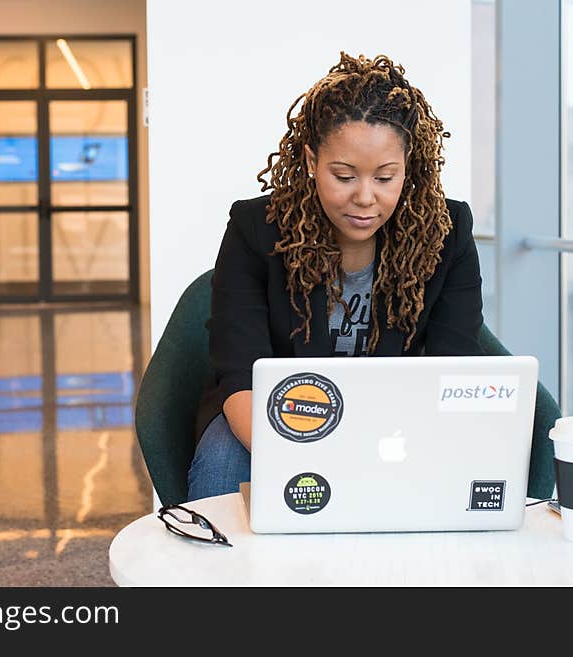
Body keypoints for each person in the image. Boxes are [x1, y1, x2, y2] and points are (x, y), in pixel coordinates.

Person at [188, 52, 485, 501]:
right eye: (344, 176)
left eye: (386, 177)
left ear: (409, 167)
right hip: (275, 417)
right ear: (311, 160)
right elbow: (240, 374)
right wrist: (319, 458)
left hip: (394, 422)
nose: (365, 198)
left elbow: (453, 372)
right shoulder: (256, 229)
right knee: (222, 461)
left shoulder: (445, 233)